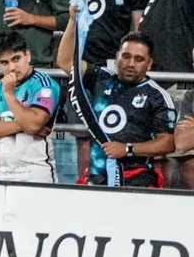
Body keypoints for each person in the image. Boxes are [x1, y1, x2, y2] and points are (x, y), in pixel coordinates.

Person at [71, 33, 180, 187]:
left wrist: (127, 149)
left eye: (139, 59)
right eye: (126, 56)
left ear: (149, 64)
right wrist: (72, 22)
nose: (131, 64)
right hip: (97, 176)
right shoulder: (102, 79)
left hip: (137, 178)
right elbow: (65, 61)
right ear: (117, 56)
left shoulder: (157, 96)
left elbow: (167, 144)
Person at [0, 31, 60, 183]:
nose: (12, 67)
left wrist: (9, 95)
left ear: (27, 56)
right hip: (3, 172)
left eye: (16, 59)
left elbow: (34, 124)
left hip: (37, 171)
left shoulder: (45, 84)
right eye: (4, 62)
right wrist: (23, 125)